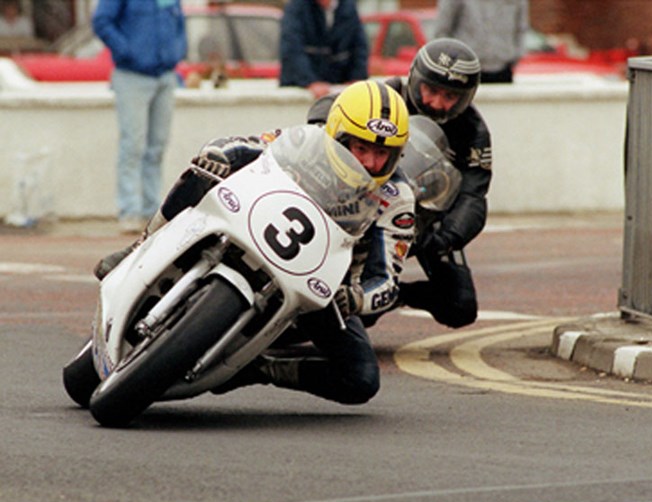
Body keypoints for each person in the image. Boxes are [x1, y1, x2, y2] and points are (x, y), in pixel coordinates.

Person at [95, 80, 415, 405]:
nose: (371, 163)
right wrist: (219, 156)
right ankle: (139, 247)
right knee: (202, 172)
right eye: (361, 148)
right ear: (337, 133)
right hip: (252, 224)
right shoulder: (308, 143)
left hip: (320, 286)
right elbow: (247, 146)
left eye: (382, 153)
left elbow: (386, 281)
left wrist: (355, 299)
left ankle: (259, 369)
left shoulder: (397, 198)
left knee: (360, 379)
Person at [306, 38, 491, 329]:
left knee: (460, 306)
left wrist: (444, 237)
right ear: (416, 78)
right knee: (362, 315)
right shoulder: (387, 93)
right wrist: (320, 127)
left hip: (425, 221)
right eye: (431, 90)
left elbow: (474, 196)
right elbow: (332, 103)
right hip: (366, 198)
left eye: (450, 96)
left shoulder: (473, 132)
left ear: (465, 97)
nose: (437, 103)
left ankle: (396, 294)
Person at [92, 0, 187, 234]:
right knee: (132, 145)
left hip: (165, 74)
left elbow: (179, 23)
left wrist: (177, 51)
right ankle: (129, 210)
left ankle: (152, 210)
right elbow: (101, 21)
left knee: (157, 146)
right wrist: (126, 50)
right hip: (131, 76)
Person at [279, 0, 368, 99]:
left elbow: (359, 47)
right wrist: (311, 82)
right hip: (300, 93)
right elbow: (292, 50)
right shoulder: (296, 8)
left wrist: (356, 79)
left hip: (339, 92)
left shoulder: (348, 7)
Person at [434, 0, 529, 84]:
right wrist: (452, 63)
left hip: (503, 70)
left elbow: (521, 28)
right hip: (464, 70)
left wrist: (516, 55)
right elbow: (443, 31)